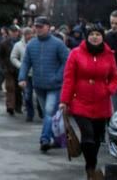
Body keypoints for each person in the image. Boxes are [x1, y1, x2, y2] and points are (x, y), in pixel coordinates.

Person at [59, 24, 117, 180]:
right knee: (88, 135)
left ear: (102, 37)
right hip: (80, 101)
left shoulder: (109, 54)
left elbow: (115, 77)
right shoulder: (75, 53)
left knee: (97, 138)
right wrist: (64, 101)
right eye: (91, 34)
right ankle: (90, 168)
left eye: (98, 34)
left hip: (101, 103)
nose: (94, 37)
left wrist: (109, 89)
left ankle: (92, 164)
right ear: (87, 37)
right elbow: (69, 78)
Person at [19, 16, 70, 152]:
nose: (38, 29)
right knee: (49, 114)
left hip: (54, 86)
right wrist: (22, 77)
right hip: (39, 85)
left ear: (48, 27)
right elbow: (26, 62)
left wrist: (57, 77)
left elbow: (67, 61)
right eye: (36, 26)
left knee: (48, 111)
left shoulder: (58, 44)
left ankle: (45, 139)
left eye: (41, 26)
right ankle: (55, 139)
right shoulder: (31, 44)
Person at [12, 27, 35, 121]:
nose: (29, 36)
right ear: (24, 35)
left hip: (37, 73)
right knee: (27, 95)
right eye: (27, 34)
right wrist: (21, 66)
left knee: (39, 95)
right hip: (26, 74)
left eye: (30, 34)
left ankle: (41, 111)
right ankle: (30, 113)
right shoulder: (18, 45)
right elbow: (13, 57)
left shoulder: (36, 43)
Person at [0, 25, 21, 115]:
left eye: (16, 31)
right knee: (10, 87)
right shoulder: (4, 43)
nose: (14, 33)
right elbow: (1, 56)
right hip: (8, 68)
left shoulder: (21, 42)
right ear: (9, 32)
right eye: (12, 31)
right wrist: (3, 67)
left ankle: (18, 106)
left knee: (19, 88)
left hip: (19, 68)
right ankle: (10, 106)